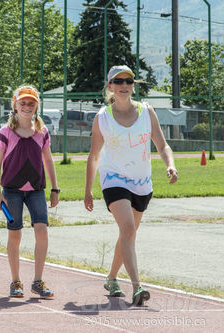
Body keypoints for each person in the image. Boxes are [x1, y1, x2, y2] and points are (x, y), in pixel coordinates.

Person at [84, 65, 178, 306]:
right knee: (128, 229)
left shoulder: (147, 112)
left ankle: (112, 278)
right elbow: (94, 156)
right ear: (110, 87)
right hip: (114, 179)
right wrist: (87, 191)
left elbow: (162, 144)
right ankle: (137, 287)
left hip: (142, 182)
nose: (124, 85)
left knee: (128, 234)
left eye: (128, 81)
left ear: (133, 85)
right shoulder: (102, 118)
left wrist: (170, 164)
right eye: (118, 81)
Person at [0, 85, 59, 298]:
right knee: (15, 235)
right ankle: (15, 281)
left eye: (31, 103)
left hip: (36, 191)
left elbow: (48, 160)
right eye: (23, 103)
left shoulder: (42, 132)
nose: (27, 106)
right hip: (11, 191)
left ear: (36, 106)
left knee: (42, 231)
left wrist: (55, 188)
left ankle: (38, 281)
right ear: (15, 105)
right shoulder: (5, 132)